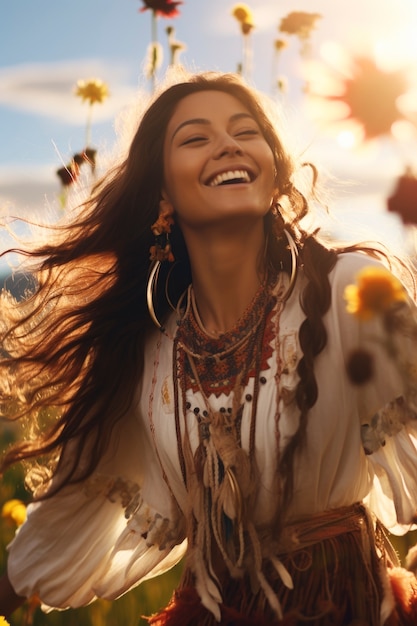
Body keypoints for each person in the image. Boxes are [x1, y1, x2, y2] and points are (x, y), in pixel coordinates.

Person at [1, 70, 417, 626]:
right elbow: (74, 512)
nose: (227, 144)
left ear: (273, 169)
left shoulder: (351, 290)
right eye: (196, 138)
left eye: (246, 132)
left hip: (350, 608)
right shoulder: (146, 355)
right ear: (163, 192)